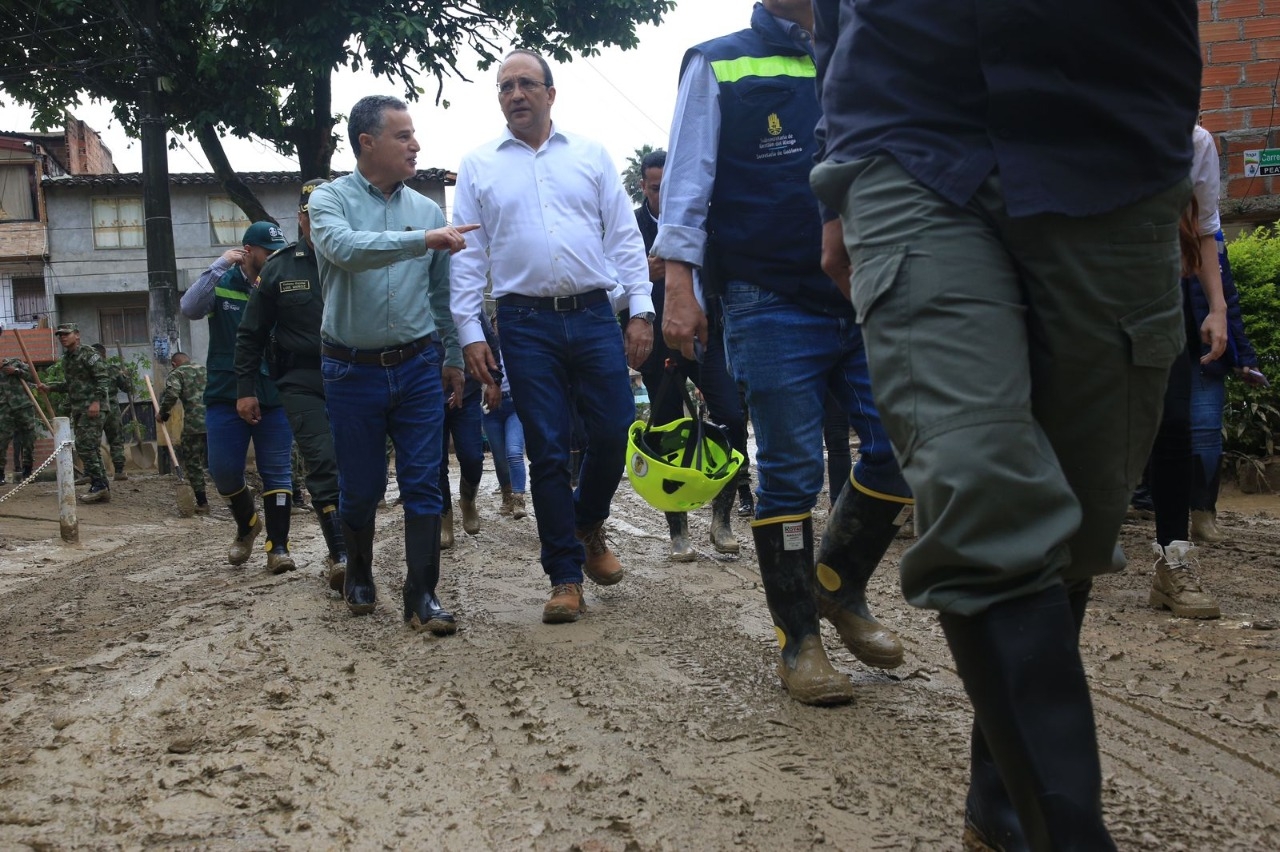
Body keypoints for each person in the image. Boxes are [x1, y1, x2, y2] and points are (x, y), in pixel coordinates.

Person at [808, 0, 1203, 847]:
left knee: (1077, 515)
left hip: (1114, 133)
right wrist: (834, 179)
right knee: (978, 477)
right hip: (906, 134)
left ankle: (999, 805)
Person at [658, 1, 913, 707]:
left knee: (907, 441)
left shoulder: (866, 44)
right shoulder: (720, 60)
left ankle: (835, 582)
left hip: (867, 288)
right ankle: (800, 638)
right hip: (768, 294)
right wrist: (680, 284)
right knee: (792, 471)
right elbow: (687, 180)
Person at [450, 49, 654, 624]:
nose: (515, 94)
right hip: (523, 322)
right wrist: (470, 331)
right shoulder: (479, 164)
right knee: (545, 446)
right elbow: (468, 257)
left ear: (550, 93)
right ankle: (564, 573)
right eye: (505, 87)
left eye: (526, 84)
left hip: (592, 314)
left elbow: (623, 239)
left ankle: (588, 520)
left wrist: (640, 310)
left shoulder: (590, 156)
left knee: (615, 430)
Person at [308, 94, 475, 635]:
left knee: (426, 481)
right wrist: (421, 240)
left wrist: (451, 356)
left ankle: (421, 594)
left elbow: (439, 294)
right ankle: (358, 571)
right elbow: (347, 249)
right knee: (361, 487)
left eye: (413, 135)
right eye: (403, 136)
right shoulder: (328, 202)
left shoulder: (427, 210)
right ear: (367, 143)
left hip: (417, 366)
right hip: (350, 370)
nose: (416, 146)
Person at [631, 147, 748, 562]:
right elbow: (613, 275)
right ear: (644, 187)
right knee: (664, 430)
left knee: (733, 418)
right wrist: (645, 271)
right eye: (658, 188)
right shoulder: (633, 226)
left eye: (672, 187)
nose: (666, 195)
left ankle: (723, 518)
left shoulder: (704, 219)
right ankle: (678, 531)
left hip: (706, 335)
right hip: (658, 342)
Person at [235, 178, 349, 591]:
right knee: (321, 460)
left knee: (357, 465)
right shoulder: (281, 267)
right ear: (302, 219)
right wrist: (246, 388)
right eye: (311, 214)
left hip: (356, 376)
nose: (318, 222)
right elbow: (250, 333)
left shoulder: (358, 257)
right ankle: (341, 554)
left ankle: (356, 544)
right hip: (302, 379)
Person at [1146, 125, 1231, 620]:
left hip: (1161, 294)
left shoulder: (1192, 139)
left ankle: (1172, 560)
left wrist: (1216, 307)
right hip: (1084, 290)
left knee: (1174, 424)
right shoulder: (1080, 116)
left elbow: (1205, 227)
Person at [180, 221, 296, 574]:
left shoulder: (281, 286)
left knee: (277, 471)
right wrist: (218, 266)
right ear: (249, 251)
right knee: (224, 471)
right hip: (226, 393)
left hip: (273, 393)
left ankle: (278, 547)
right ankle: (247, 523)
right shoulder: (224, 284)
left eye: (279, 251)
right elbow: (189, 308)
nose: (274, 257)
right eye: (268, 252)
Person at [1190, 233, 1266, 542]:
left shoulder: (1212, 236)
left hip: (1206, 354)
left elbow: (1227, 300)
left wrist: (1245, 357)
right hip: (1152, 350)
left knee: (1207, 434)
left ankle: (1203, 514)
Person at [38, 322, 111, 502]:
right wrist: (50, 388)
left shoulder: (88, 354)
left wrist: (96, 402)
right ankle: (100, 486)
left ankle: (100, 485)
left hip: (93, 408)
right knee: (90, 447)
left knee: (85, 446)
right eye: (60, 335)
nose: (63, 337)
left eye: (66, 334)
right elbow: (71, 385)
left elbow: (102, 379)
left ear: (76, 335)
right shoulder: (68, 359)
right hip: (79, 409)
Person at [438, 349, 485, 549]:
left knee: (472, 457)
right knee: (436, 464)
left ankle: (467, 501)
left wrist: (495, 380)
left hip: (468, 393)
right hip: (428, 395)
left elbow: (489, 344)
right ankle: (444, 518)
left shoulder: (471, 315)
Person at [481, 318, 527, 520]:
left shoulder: (520, 345)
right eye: (495, 323)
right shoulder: (482, 348)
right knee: (499, 458)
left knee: (514, 452)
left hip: (515, 405)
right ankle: (507, 496)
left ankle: (519, 498)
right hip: (490, 409)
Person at [157, 351, 210, 514]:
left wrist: (163, 413)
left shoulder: (177, 373)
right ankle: (236, 501)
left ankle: (203, 503)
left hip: (194, 425)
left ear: (174, 364)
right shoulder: (205, 370)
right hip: (216, 421)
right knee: (221, 460)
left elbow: (172, 393)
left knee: (193, 463)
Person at [90, 343, 131, 481]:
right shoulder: (113, 370)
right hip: (111, 408)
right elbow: (127, 388)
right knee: (116, 439)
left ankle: (95, 472)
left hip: (95, 408)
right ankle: (119, 470)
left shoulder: (87, 371)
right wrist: (125, 377)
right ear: (104, 355)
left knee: (93, 441)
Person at [0, 355, 37, 484]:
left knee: (29, 440)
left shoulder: (15, 362)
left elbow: (33, 377)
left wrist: (16, 371)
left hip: (23, 407)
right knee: (2, 441)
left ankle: (27, 472)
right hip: (4, 410)